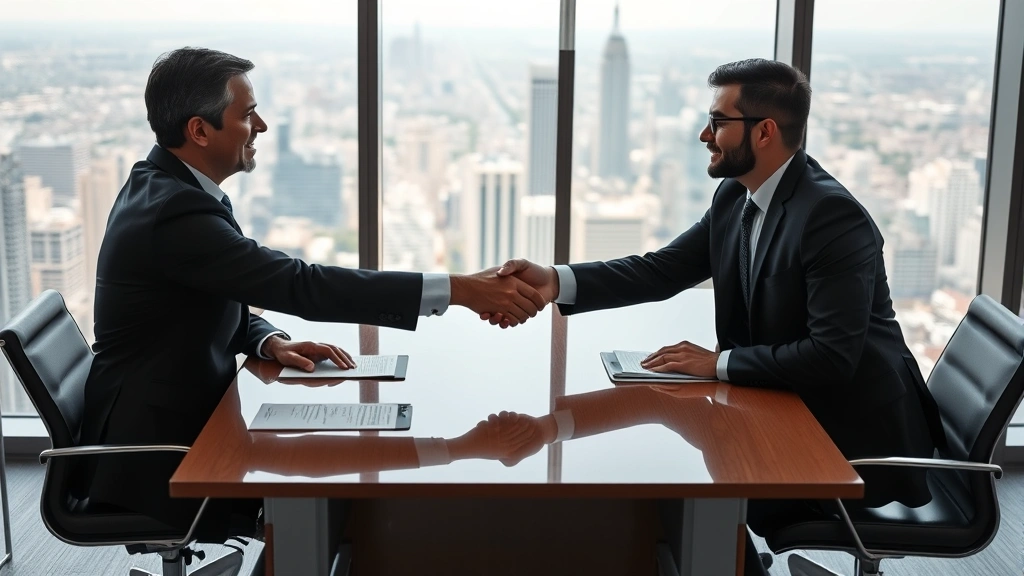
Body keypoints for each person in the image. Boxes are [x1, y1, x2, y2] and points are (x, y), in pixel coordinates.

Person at [485, 58, 946, 575]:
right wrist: (555, 281)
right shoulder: (737, 195)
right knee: (675, 469)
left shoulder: (831, 219)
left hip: (851, 439)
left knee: (687, 483)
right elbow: (662, 270)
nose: (705, 134)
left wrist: (719, 363)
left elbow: (831, 357)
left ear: (765, 131)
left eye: (719, 122)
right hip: (788, 405)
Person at [79, 47, 547, 546]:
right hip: (162, 456)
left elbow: (200, 298)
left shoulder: (169, 189)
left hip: (191, 416)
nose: (260, 125)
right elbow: (300, 284)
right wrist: (459, 290)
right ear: (199, 130)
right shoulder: (176, 213)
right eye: (247, 113)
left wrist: (268, 341)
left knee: (346, 463)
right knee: (350, 487)